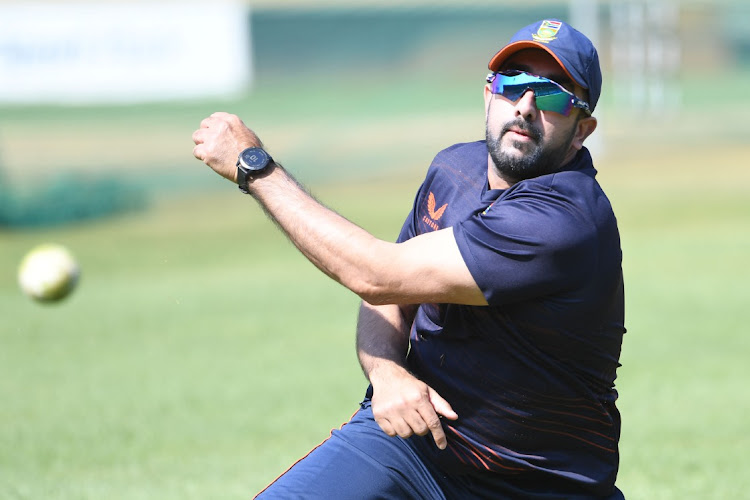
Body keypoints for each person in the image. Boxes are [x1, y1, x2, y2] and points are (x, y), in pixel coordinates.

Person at [192, 18, 625, 500]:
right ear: (488, 94)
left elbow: (375, 274)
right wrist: (387, 374)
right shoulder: (453, 169)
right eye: (514, 83)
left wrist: (255, 168)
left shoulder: (564, 219)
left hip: (535, 485)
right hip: (416, 448)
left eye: (551, 96)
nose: (525, 106)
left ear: (582, 129)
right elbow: (390, 295)